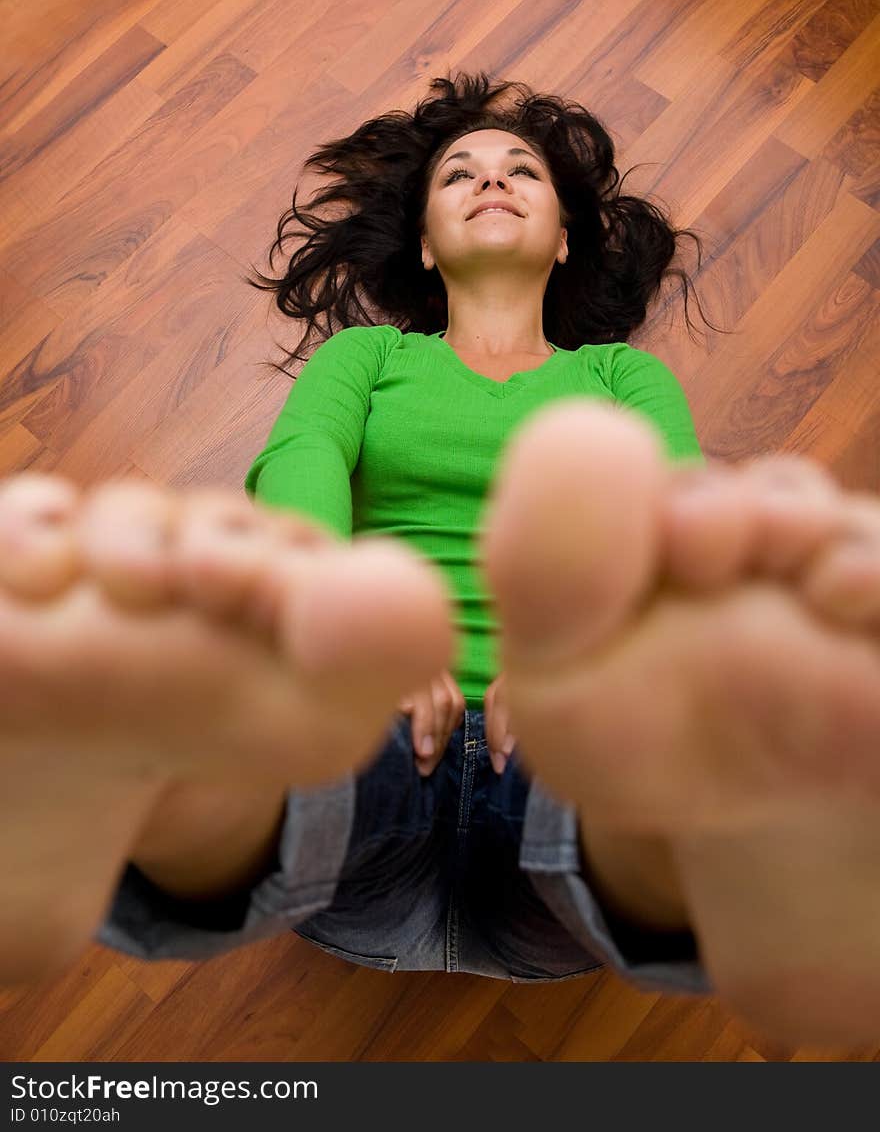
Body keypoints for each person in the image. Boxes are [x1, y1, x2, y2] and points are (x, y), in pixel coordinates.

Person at [2, 73, 879, 1049]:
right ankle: (145, 816)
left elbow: (668, 515)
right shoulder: (369, 358)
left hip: (557, 830)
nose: (490, 180)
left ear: (564, 240)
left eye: (520, 174)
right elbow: (302, 460)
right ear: (425, 244)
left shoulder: (622, 376)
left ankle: (718, 858)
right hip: (356, 828)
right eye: (459, 173)